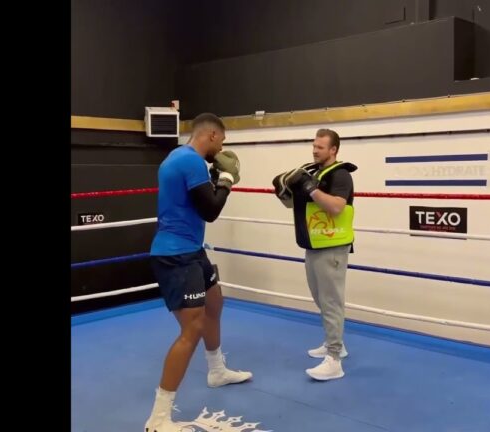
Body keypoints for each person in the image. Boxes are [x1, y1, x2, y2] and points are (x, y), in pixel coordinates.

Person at [144, 113, 252, 432]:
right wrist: (227, 179)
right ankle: (158, 418)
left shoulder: (178, 155)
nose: (221, 150)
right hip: (176, 255)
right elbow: (211, 210)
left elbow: (197, 203)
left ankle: (216, 370)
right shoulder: (191, 162)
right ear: (213, 136)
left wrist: (216, 180)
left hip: (191, 249)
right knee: (192, 329)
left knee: (214, 302)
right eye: (222, 142)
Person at [272, 128, 357, 381]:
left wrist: (310, 188)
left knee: (331, 301)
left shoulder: (341, 175)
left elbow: (336, 206)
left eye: (320, 147)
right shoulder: (311, 172)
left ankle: (334, 359)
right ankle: (335, 342)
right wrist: (282, 189)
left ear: (333, 150)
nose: (315, 150)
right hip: (313, 243)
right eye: (314, 146)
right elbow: (292, 204)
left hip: (332, 245)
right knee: (320, 297)